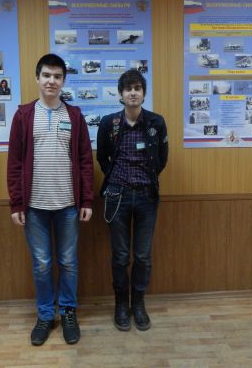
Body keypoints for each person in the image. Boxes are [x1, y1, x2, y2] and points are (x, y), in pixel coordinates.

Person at [7, 53, 94, 346]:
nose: (51, 81)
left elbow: (85, 161)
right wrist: (16, 203)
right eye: (46, 75)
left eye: (57, 76)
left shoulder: (75, 116)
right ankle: (45, 315)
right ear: (37, 78)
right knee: (42, 264)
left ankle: (68, 312)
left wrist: (87, 201)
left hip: (68, 205)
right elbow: (14, 163)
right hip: (34, 207)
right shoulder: (23, 116)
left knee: (68, 262)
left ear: (64, 81)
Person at [96, 69, 169, 332]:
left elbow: (162, 158)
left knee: (143, 256)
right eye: (128, 89)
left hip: (147, 196)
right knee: (120, 255)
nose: (133, 93)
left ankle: (138, 304)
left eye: (137, 88)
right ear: (121, 94)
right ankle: (120, 305)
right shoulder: (109, 123)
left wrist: (144, 179)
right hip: (117, 196)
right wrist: (117, 179)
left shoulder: (156, 122)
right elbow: (102, 157)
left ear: (143, 93)